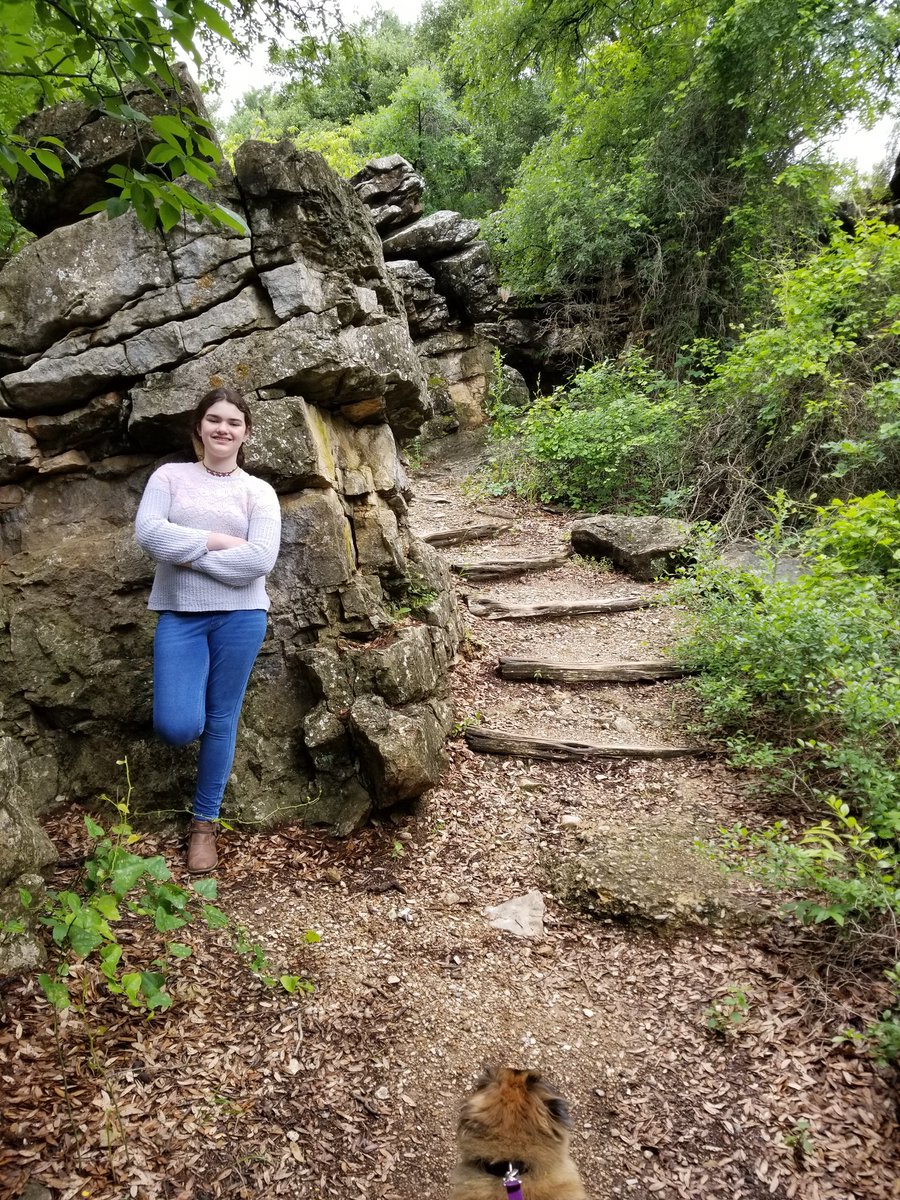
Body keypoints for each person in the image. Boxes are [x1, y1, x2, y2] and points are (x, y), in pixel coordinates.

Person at [134, 387, 281, 873]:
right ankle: (202, 814)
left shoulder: (258, 491)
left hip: (242, 618)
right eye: (214, 419)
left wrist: (186, 554)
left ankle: (204, 824)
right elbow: (150, 535)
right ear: (199, 427)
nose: (223, 428)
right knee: (177, 726)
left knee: (222, 720)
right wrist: (216, 542)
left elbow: (259, 560)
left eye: (233, 422)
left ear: (246, 431)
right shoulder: (169, 477)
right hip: (179, 617)